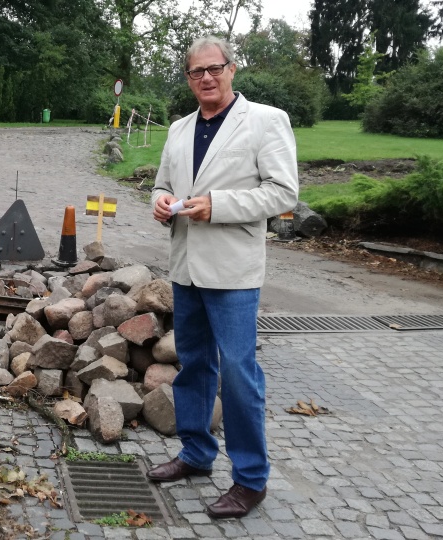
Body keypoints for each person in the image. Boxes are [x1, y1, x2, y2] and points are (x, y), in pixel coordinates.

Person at [146, 35, 299, 519]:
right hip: (186, 266)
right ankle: (195, 453)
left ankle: (251, 480)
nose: (207, 78)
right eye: (197, 72)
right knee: (193, 364)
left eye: (216, 68)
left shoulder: (266, 121)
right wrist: (160, 200)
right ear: (189, 78)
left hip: (233, 272)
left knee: (237, 373)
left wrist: (220, 206)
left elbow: (283, 194)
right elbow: (165, 183)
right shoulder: (178, 128)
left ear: (233, 69)